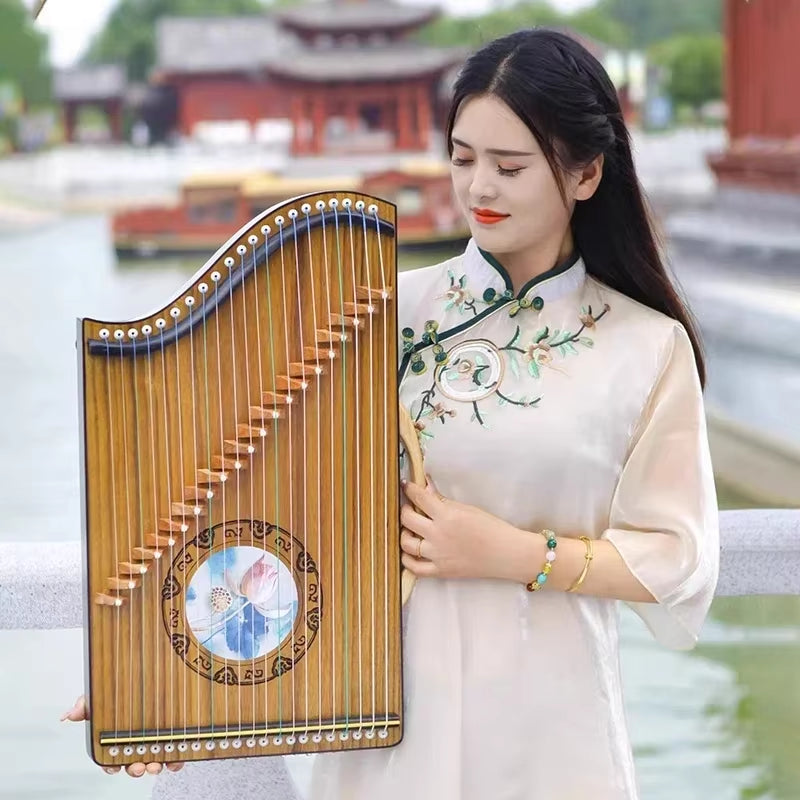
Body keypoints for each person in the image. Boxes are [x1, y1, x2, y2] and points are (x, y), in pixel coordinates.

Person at [64, 27, 719, 798]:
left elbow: (677, 558)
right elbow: (262, 507)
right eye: (463, 157)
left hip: (552, 731)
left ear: (586, 174)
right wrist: (164, 686)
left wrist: (512, 553)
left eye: (509, 166)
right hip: (384, 723)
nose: (478, 189)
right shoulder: (381, 316)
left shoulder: (644, 346)